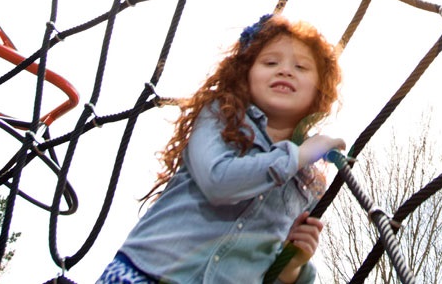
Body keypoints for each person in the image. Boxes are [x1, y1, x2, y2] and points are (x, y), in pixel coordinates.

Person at [97, 14, 344, 284]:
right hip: (145, 273)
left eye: (301, 67)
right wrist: (296, 156)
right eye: (270, 62)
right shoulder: (220, 116)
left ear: (320, 88)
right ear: (246, 74)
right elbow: (219, 181)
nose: (285, 70)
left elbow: (263, 264)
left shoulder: (308, 182)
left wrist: (293, 268)